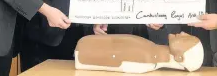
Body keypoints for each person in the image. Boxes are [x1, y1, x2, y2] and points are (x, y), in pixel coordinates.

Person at [75, 32, 203, 73]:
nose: (183, 33)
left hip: (85, 50)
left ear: (179, 57)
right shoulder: (148, 53)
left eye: (187, 39)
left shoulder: (146, 59)